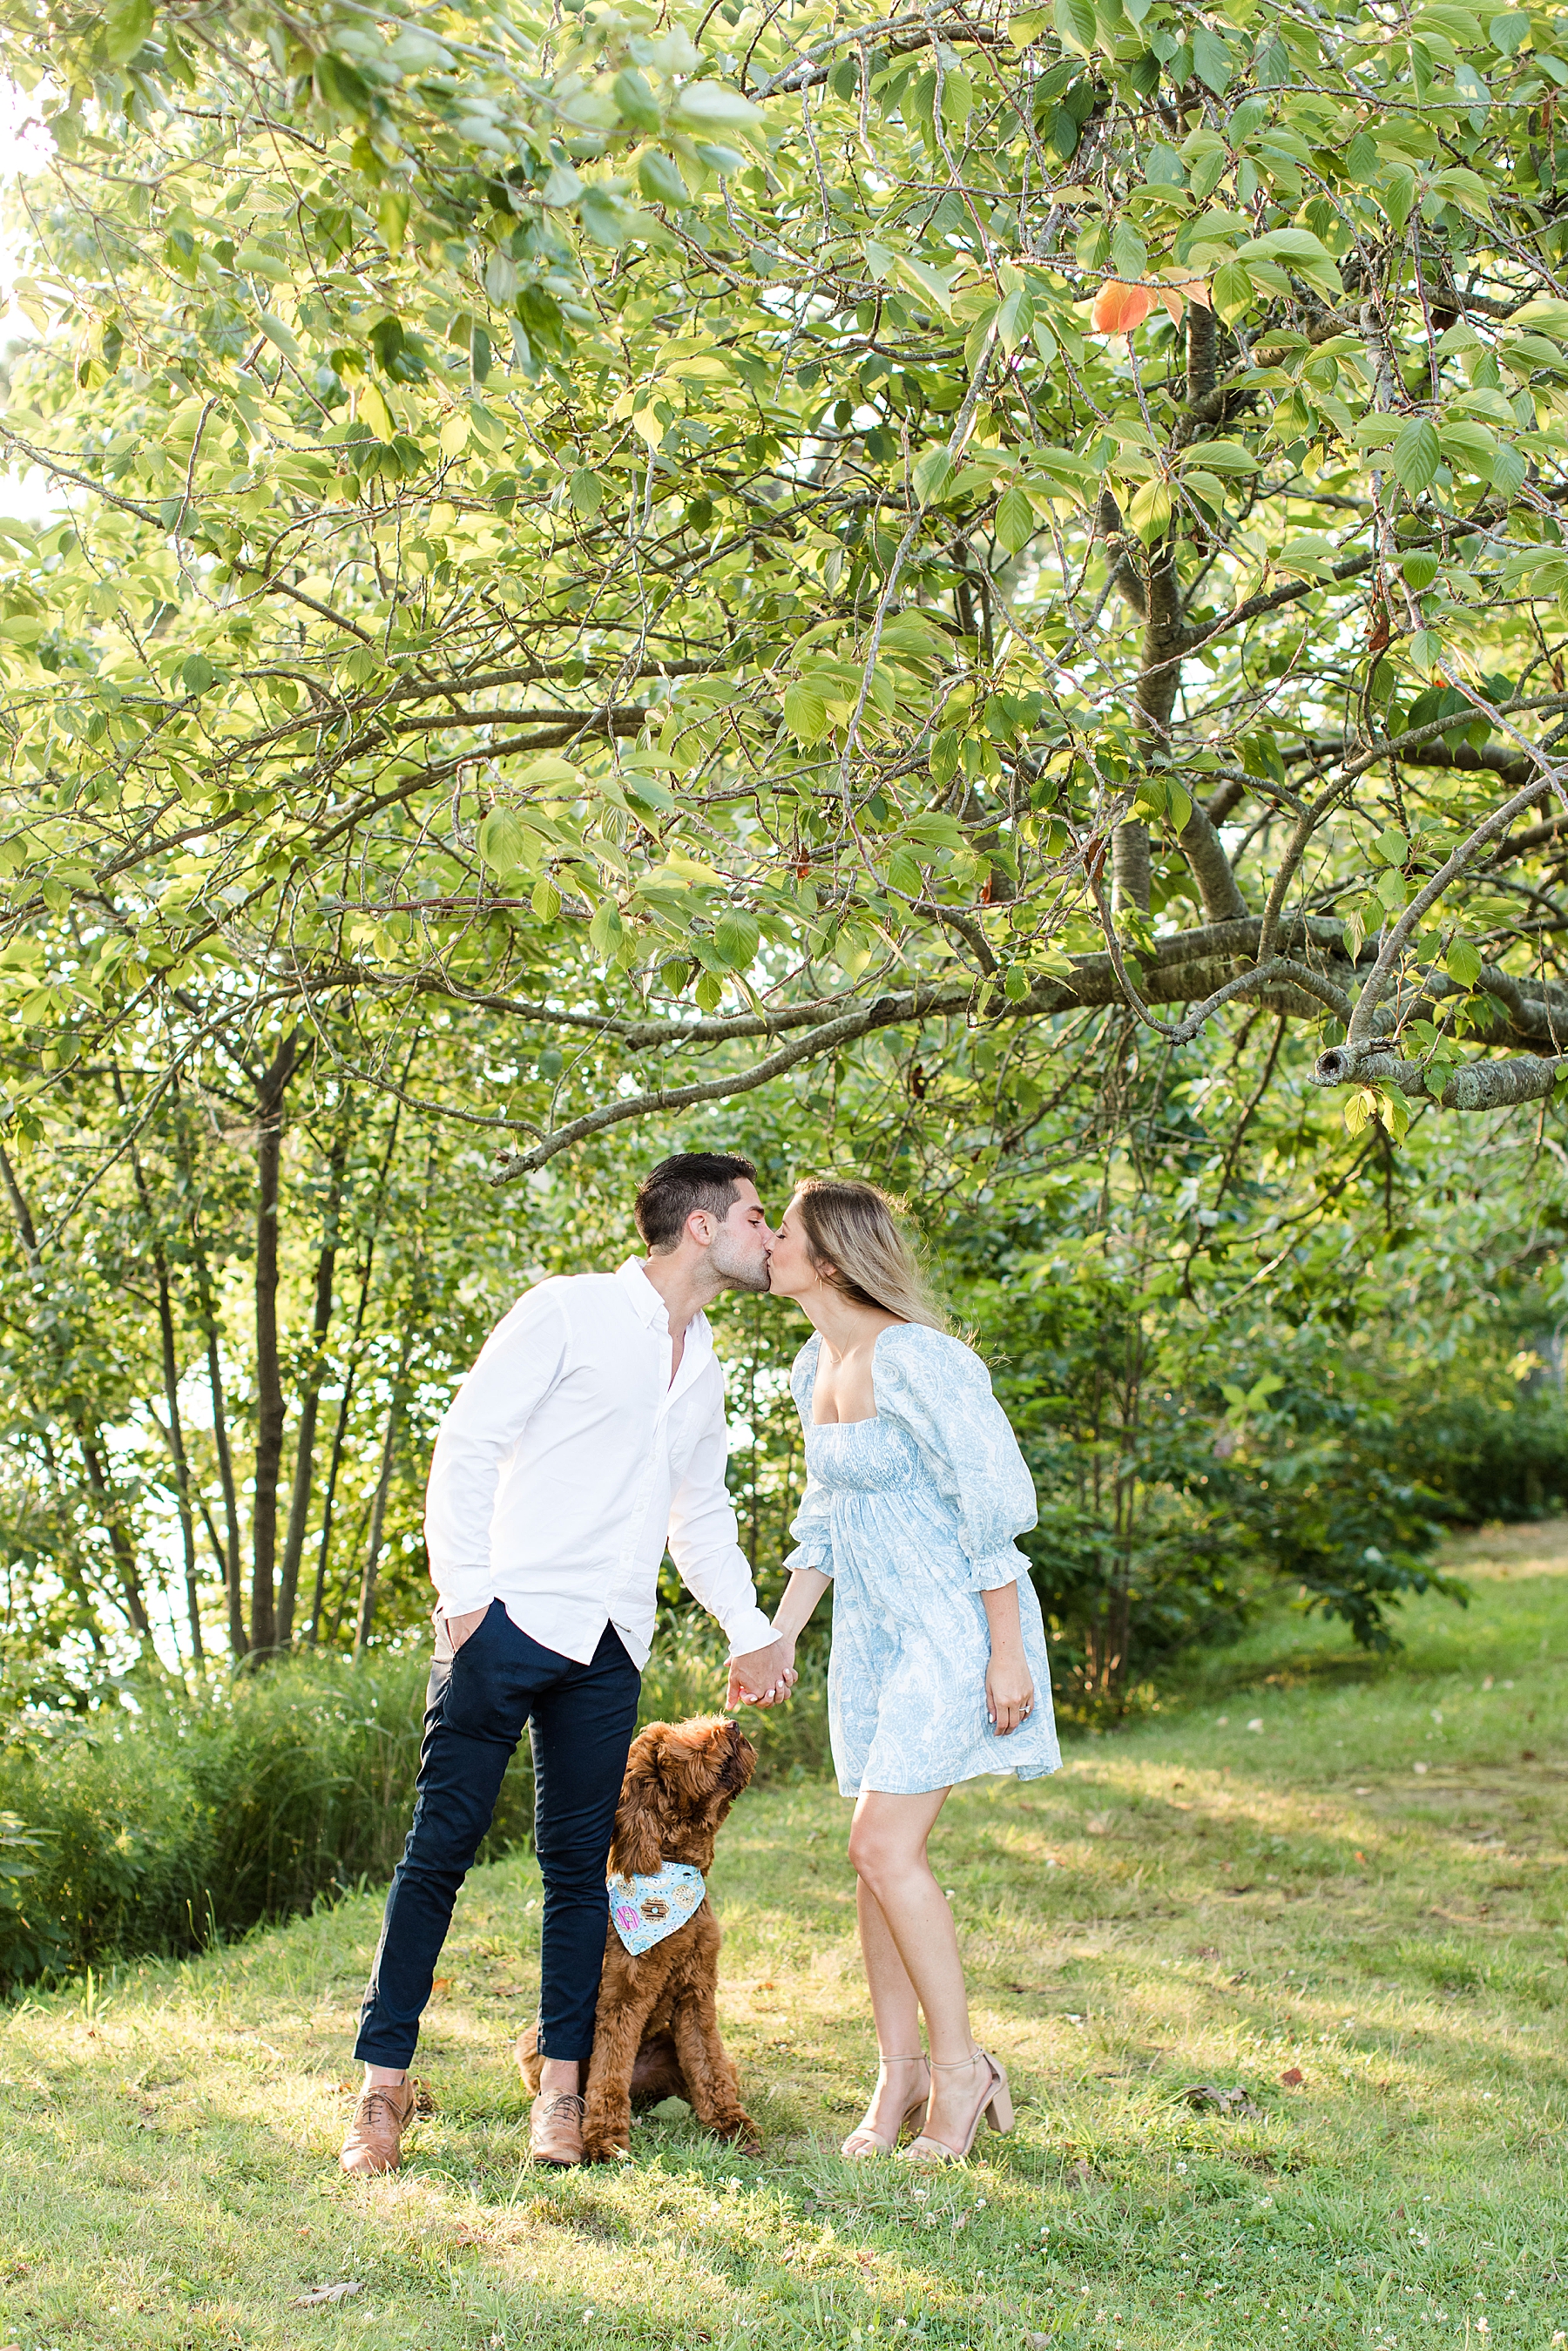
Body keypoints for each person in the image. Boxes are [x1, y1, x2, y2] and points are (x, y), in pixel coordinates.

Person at [340, 1152, 794, 2178]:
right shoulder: (568, 1310)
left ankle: (560, 2092)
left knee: (579, 1872)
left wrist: (749, 1623)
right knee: (438, 1853)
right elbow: (465, 1442)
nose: (772, 1235)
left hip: (608, 1646)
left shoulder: (704, 1356)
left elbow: (701, 1512)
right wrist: (464, 1609)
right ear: (702, 1228)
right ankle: (380, 2087)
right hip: (504, 1627)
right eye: (759, 1216)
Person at [764, 1177, 1058, 2165]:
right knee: (869, 1855)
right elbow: (824, 1523)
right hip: (875, 1639)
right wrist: (780, 1634)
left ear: (831, 1258)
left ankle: (963, 2068)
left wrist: (1006, 1649)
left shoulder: (921, 1359)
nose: (766, 1244)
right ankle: (901, 2071)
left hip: (953, 1629)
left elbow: (991, 1503)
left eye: (784, 1233)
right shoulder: (816, 1362)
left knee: (886, 1848)